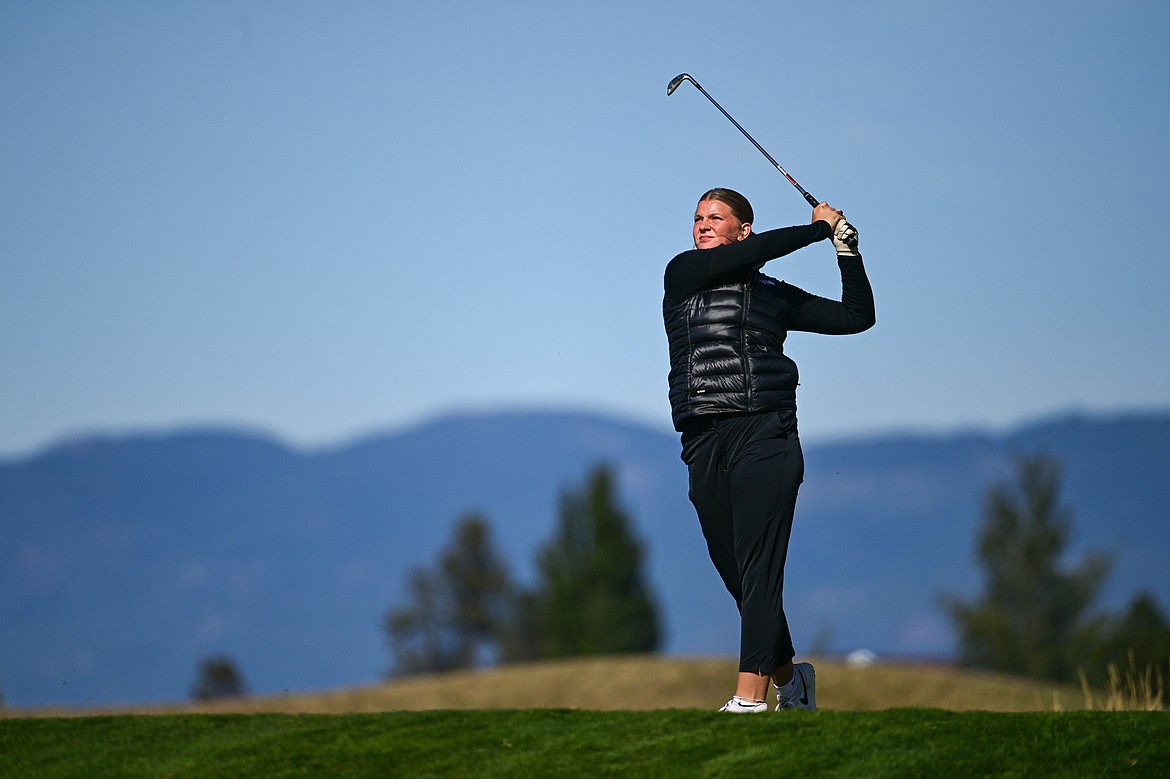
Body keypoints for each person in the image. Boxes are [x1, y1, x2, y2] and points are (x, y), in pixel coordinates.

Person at [662, 188, 875, 712]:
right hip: (702, 438)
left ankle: (749, 701)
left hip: (766, 433)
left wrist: (847, 252)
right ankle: (790, 679)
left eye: (716, 217)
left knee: (760, 568)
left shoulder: (773, 294)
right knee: (733, 567)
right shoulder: (683, 274)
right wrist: (816, 229)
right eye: (697, 218)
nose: (703, 225)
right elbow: (746, 258)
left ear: (744, 229)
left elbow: (856, 316)